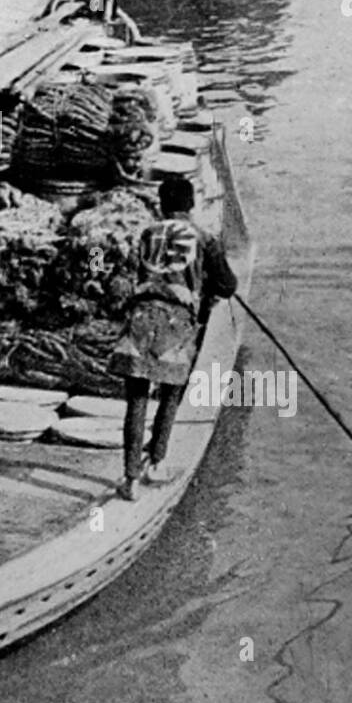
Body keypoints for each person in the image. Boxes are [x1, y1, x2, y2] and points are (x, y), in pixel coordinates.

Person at [111, 174, 238, 502]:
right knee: (170, 393)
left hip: (141, 317)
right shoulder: (204, 237)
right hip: (176, 322)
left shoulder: (147, 234)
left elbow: (133, 275)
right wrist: (205, 287)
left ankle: (130, 479)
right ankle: (156, 461)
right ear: (191, 205)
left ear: (162, 205)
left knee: (136, 400)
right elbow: (227, 285)